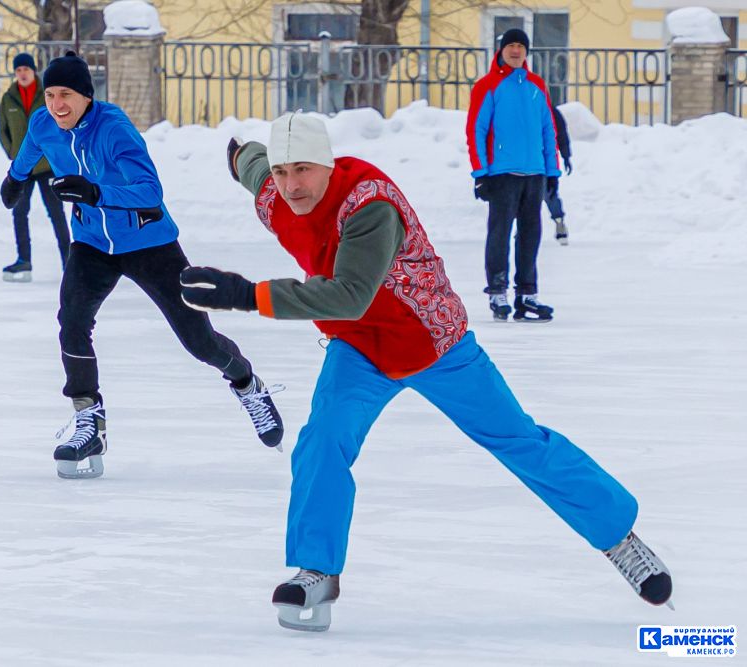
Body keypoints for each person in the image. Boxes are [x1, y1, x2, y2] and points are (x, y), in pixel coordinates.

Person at [180, 112, 673, 632]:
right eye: (283, 172)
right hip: (359, 346)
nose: (291, 184)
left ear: (326, 164)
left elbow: (350, 294)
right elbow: (256, 167)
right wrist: (244, 156)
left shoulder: (369, 205)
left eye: (303, 169)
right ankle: (316, 570)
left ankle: (620, 537)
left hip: (431, 339)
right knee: (322, 442)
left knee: (517, 438)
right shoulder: (275, 195)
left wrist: (245, 294)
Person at [0, 51, 284, 480]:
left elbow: (149, 191)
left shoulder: (114, 129)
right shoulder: (42, 122)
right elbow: (29, 150)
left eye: (67, 95)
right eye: (51, 93)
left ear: (86, 97)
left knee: (198, 341)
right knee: (72, 321)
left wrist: (96, 192)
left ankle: (246, 382)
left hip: (148, 242)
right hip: (93, 243)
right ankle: (87, 419)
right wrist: (15, 179)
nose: (58, 104)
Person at [466, 29, 560, 322]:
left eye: (520, 46)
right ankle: (497, 292)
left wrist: (552, 170)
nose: (515, 50)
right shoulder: (488, 86)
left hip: (535, 173)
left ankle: (526, 295)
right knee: (500, 233)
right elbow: (476, 130)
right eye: (511, 46)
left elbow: (548, 130)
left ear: (526, 51)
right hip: (502, 174)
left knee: (531, 234)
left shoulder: (537, 85)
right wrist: (481, 173)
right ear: (501, 50)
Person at [0, 52, 71, 282]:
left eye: (25, 70)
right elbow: (2, 130)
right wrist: (13, 152)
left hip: (48, 166)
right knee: (19, 213)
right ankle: (24, 260)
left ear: (33, 71)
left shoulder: (46, 94)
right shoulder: (9, 98)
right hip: (23, 167)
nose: (22, 74)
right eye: (18, 70)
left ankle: (69, 263)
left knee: (56, 213)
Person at [547, 106, 572, 245]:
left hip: (546, 161)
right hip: (526, 162)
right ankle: (522, 228)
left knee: (550, 194)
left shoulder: (551, 111)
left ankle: (559, 222)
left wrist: (566, 155)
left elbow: (562, 134)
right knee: (525, 198)